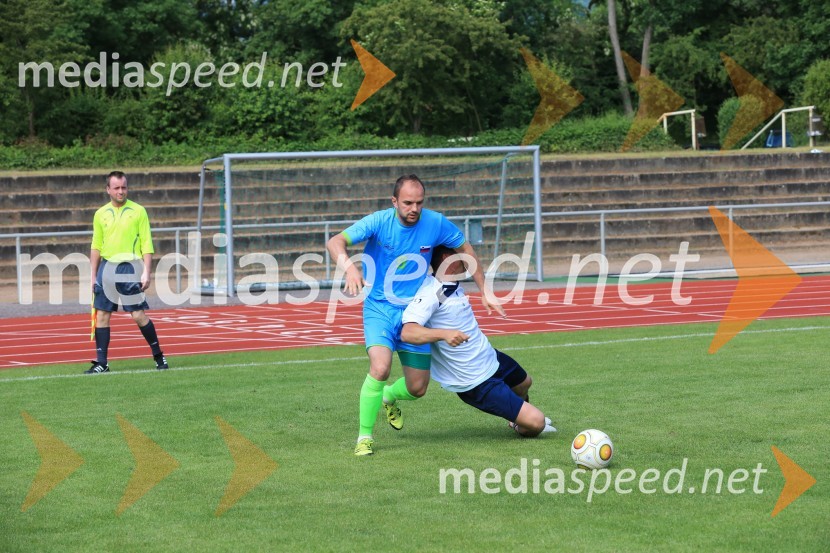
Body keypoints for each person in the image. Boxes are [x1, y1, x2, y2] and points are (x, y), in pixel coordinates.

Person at [327, 174, 504, 456]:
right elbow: (336, 241)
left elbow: (465, 249)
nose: (414, 209)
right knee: (381, 368)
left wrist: (485, 290)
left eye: (419, 203)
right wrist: (350, 268)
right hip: (380, 309)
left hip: (414, 313)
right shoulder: (378, 221)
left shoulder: (435, 222)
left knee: (418, 388)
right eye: (408, 203)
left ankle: (387, 397)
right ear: (394, 201)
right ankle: (364, 437)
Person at [401, 245, 556, 437]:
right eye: (463, 254)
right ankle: (521, 423)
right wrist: (444, 334)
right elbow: (408, 332)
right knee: (537, 423)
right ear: (447, 258)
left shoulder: (452, 286)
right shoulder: (432, 292)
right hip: (475, 380)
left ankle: (517, 415)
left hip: (489, 357)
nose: (469, 258)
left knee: (524, 383)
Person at [86, 171, 168, 374]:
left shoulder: (139, 211)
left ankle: (159, 356)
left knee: (138, 315)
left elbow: (147, 244)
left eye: (124, 187)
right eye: (116, 188)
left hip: (130, 268)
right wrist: (93, 276)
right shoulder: (100, 214)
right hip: (106, 268)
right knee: (103, 315)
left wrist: (146, 272)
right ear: (108, 190)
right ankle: (102, 363)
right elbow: (96, 246)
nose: (121, 191)